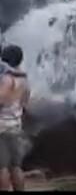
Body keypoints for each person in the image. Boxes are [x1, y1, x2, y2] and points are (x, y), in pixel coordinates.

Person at [0, 45, 29, 191]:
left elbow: (1, 101)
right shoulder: (24, 79)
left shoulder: (7, 79)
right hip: (16, 126)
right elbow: (24, 104)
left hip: (2, 127)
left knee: (2, 168)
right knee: (16, 167)